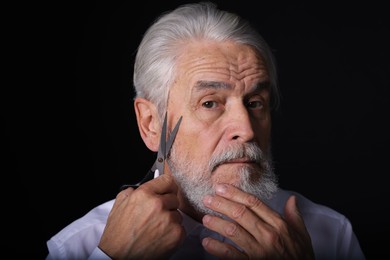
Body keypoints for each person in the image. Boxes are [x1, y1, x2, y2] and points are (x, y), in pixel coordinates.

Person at [46, 2, 365, 259]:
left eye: (255, 102)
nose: (247, 130)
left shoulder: (330, 236)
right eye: (211, 103)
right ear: (151, 124)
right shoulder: (80, 247)